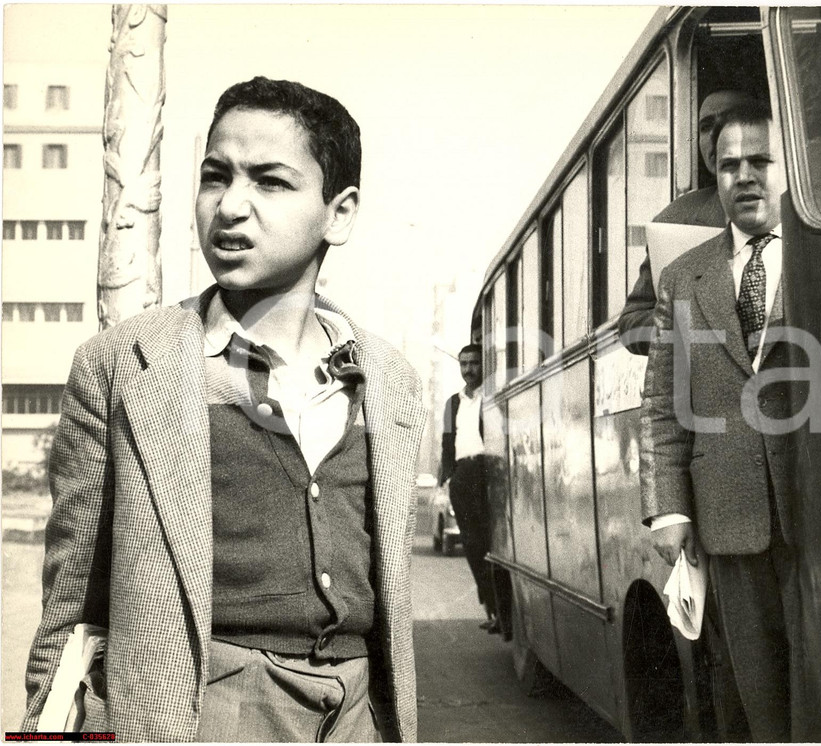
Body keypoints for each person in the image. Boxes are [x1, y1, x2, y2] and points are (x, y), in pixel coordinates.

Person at [21, 77, 426, 742]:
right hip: (203, 708)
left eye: (270, 181)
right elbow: (70, 605)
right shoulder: (125, 364)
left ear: (340, 212)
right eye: (216, 176)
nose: (230, 206)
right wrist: (50, 725)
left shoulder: (388, 377)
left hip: (360, 713)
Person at [640, 101, 799, 742]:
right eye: (730, 165)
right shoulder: (683, 278)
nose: (746, 177)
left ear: (789, 170)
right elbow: (661, 404)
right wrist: (669, 508)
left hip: (820, 513)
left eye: (761, 161)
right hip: (727, 516)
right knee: (751, 699)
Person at [618, 89, 753, 355]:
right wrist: (684, 326)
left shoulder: (796, 208)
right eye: (705, 127)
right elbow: (631, 324)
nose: (715, 136)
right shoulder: (675, 219)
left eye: (729, 120)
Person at [438, 344, 497, 633]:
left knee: (491, 543)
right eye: (463, 364)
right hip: (462, 477)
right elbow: (446, 443)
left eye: (473, 363)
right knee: (473, 546)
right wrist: (446, 479)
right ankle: (491, 608)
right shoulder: (453, 403)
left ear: (483, 364)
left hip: (488, 473)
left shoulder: (494, 396)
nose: (468, 369)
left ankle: (500, 610)